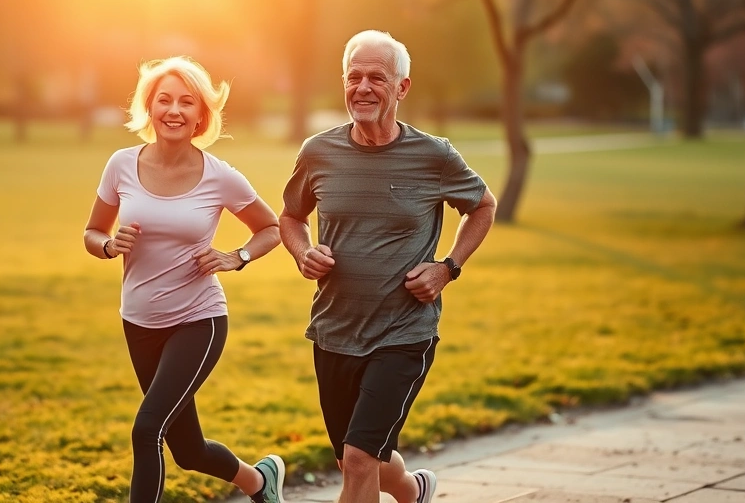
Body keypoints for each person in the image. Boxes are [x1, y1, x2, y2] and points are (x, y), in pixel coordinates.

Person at [278, 30, 497, 503]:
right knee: (359, 457)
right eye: (353, 77)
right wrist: (302, 251)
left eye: (376, 77)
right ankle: (413, 491)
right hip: (334, 328)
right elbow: (291, 217)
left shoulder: (434, 155)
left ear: (402, 87)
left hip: (403, 333)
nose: (362, 87)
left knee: (357, 462)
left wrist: (447, 268)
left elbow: (483, 205)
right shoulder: (318, 152)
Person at [83, 56, 286, 503]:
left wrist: (238, 257)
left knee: (147, 429)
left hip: (199, 319)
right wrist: (107, 245)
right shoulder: (120, 164)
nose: (174, 110)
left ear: (201, 115)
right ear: (150, 108)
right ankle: (260, 482)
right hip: (138, 321)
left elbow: (270, 228)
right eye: (164, 100)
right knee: (188, 449)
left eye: (186, 102)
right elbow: (92, 232)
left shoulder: (220, 175)